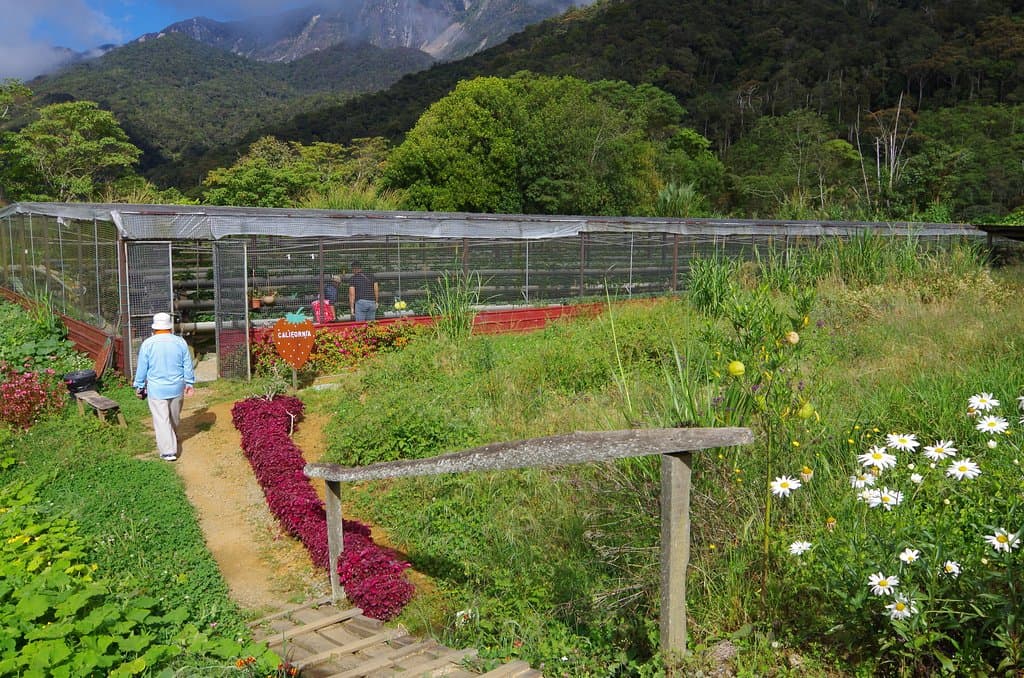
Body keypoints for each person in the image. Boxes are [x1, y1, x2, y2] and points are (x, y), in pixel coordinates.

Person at [132, 312, 195, 462]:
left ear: (154, 328)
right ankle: (173, 438)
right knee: (174, 416)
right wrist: (189, 383)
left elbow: (142, 367)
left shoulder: (148, 343)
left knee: (162, 420)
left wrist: (139, 385)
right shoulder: (180, 342)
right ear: (169, 327)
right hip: (177, 387)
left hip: (157, 389)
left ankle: (168, 451)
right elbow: (187, 364)